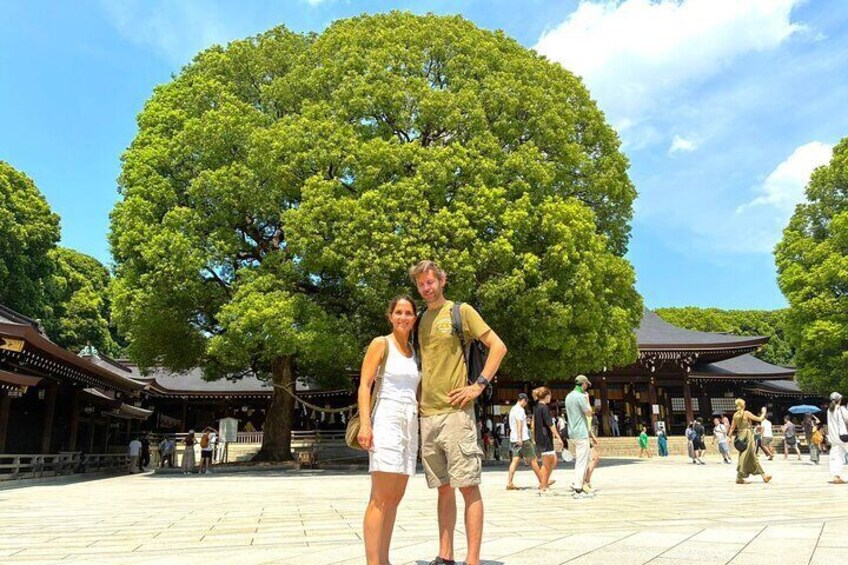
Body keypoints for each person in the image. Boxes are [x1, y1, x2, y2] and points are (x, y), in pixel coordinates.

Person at [411, 260, 507, 565]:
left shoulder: (460, 311)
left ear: (442, 280)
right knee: (442, 489)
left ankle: (472, 559)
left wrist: (478, 385)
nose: (426, 288)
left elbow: (498, 346)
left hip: (456, 413)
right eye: (421, 284)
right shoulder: (419, 320)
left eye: (430, 282)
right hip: (428, 415)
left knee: (467, 486)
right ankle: (445, 555)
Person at [357, 295, 421, 565]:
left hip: (410, 422)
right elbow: (365, 385)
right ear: (390, 316)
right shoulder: (381, 343)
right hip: (386, 418)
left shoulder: (415, 351)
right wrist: (365, 424)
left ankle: (384, 559)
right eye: (398, 312)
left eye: (408, 313)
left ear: (414, 317)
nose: (403, 317)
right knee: (380, 497)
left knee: (395, 497)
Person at [728, 399, 772, 484]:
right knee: (746, 455)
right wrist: (764, 412)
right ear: (743, 405)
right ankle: (740, 477)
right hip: (747, 436)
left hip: (740, 435)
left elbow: (732, 427)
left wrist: (729, 437)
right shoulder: (746, 413)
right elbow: (759, 419)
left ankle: (763, 475)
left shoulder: (735, 415)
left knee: (749, 455)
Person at [566, 375, 594, 499]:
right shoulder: (581, 396)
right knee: (582, 461)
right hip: (581, 432)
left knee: (583, 459)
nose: (587, 387)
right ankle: (578, 488)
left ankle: (578, 484)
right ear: (583, 384)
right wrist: (587, 399)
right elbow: (589, 412)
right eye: (586, 384)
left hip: (572, 432)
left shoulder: (568, 396)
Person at [506, 394, 542, 490]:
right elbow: (519, 423)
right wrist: (520, 437)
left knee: (515, 460)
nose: (526, 404)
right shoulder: (520, 410)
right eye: (526, 402)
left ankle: (509, 482)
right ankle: (542, 481)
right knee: (533, 459)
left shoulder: (513, 409)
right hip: (522, 439)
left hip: (513, 439)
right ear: (523, 400)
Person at [533, 386, 563, 494]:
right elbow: (550, 424)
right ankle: (543, 486)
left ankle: (544, 483)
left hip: (539, 437)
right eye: (549, 395)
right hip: (545, 437)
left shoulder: (537, 407)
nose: (550, 397)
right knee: (547, 463)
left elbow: (534, 424)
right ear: (546, 396)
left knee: (553, 460)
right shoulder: (544, 408)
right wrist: (558, 437)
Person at [826, 392, 848, 484]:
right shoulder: (841, 409)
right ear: (840, 400)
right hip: (843, 436)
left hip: (834, 438)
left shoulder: (829, 410)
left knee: (836, 457)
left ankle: (836, 476)